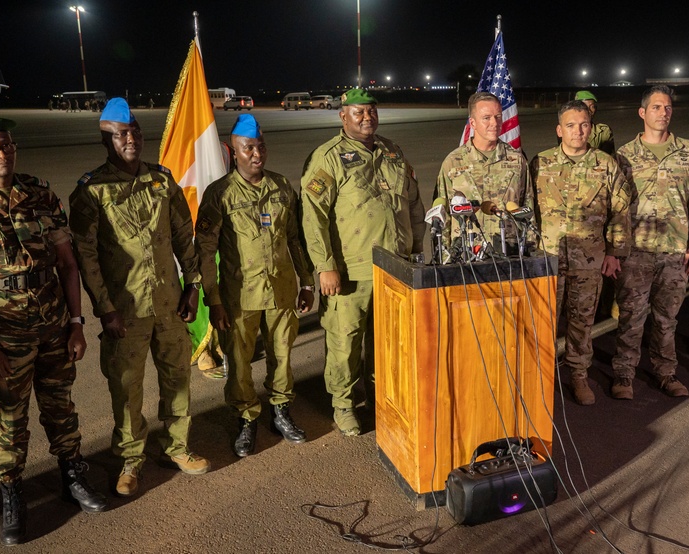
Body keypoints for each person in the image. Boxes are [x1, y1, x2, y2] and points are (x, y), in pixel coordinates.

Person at [0, 116, 106, 545]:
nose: (2, 153)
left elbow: (67, 264)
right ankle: (12, 492)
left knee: (61, 405)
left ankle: (72, 478)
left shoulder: (40, 192)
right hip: (4, 332)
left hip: (53, 324)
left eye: (7, 145)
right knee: (11, 419)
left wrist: (77, 323)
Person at [68, 98, 209, 498]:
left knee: (177, 378)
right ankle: (131, 459)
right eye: (121, 134)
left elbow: (184, 236)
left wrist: (194, 285)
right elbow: (86, 255)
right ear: (106, 140)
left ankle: (178, 447)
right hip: (124, 311)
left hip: (169, 303)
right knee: (127, 388)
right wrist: (105, 308)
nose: (131, 139)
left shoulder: (162, 182)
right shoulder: (92, 191)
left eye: (135, 132)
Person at [301, 88, 426, 435]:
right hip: (351, 270)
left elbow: (413, 204)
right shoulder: (328, 158)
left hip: (396, 267)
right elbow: (313, 216)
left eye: (371, 111)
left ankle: (380, 398)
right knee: (346, 341)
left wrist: (416, 249)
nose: (367, 118)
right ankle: (343, 404)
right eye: (358, 113)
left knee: (388, 341)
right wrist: (325, 265)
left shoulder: (392, 151)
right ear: (343, 116)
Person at [195, 114, 315, 457]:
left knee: (282, 355)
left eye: (261, 146)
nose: (257, 154)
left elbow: (295, 239)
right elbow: (205, 253)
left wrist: (306, 283)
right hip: (239, 296)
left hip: (281, 291)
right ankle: (246, 418)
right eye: (249, 148)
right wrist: (213, 300)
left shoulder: (280, 187)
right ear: (235, 151)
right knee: (239, 361)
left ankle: (281, 410)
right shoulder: (219, 194)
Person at [611, 85, 689, 400]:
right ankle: (624, 376)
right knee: (631, 317)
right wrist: (616, 249)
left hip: (675, 249)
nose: (663, 113)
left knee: (667, 319)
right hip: (636, 251)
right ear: (642, 112)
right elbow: (614, 206)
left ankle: (665, 374)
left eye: (667, 107)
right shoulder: (625, 155)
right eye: (656, 107)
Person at [530, 100, 631, 405]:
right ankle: (541, 379)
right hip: (547, 260)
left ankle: (578, 375)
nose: (578, 131)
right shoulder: (540, 163)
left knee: (582, 322)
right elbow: (526, 210)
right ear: (559, 130)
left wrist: (615, 252)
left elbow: (621, 211)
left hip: (590, 259)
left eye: (584, 124)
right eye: (571, 125)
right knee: (543, 322)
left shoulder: (606, 164)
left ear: (592, 126)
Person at [435, 91, 531, 256]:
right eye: (486, 118)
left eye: (498, 116)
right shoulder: (453, 162)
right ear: (472, 123)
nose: (494, 123)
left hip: (508, 253)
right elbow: (443, 216)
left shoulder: (517, 160)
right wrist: (444, 259)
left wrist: (531, 254)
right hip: (467, 255)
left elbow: (527, 210)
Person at [575, 90, 616, 155]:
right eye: (584, 107)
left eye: (592, 106)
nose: (589, 111)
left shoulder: (603, 131)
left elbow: (608, 157)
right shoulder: (567, 130)